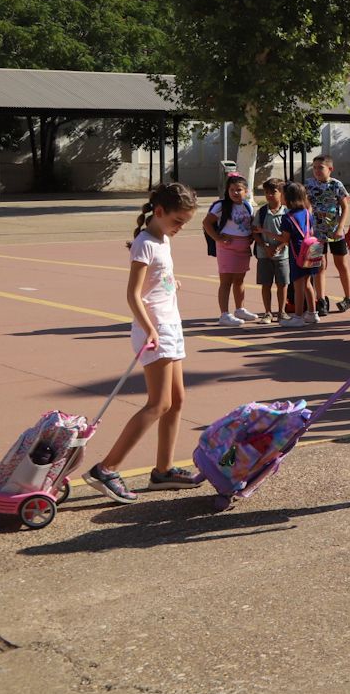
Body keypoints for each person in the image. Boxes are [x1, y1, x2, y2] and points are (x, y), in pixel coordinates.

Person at [84, 182, 204, 502]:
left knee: (176, 401)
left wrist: (169, 282)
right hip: (156, 330)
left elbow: (155, 280)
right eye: (178, 221)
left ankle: (163, 471)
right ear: (160, 212)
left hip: (170, 325)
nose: (180, 228)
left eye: (185, 223)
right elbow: (133, 294)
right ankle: (106, 468)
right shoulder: (145, 243)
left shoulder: (162, 238)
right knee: (158, 403)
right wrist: (149, 327)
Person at [204, 172, 258, 327]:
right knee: (226, 281)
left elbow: (251, 225)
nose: (235, 193)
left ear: (246, 191)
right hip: (227, 248)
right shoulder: (221, 206)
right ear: (227, 191)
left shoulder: (247, 205)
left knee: (240, 280)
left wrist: (252, 237)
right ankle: (224, 314)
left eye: (239, 190)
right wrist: (218, 238)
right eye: (232, 189)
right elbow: (207, 223)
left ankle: (239, 309)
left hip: (243, 248)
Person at [305, 155, 350, 315]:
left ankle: (348, 297)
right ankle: (321, 300)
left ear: (330, 169)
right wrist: (307, 226)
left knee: (341, 264)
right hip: (316, 232)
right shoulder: (309, 184)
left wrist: (340, 227)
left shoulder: (336, 185)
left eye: (321, 167)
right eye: (315, 167)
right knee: (319, 265)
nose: (317, 170)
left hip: (335, 231)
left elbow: (345, 207)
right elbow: (307, 205)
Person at [282, 181, 320, 327]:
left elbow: (285, 239)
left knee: (298, 285)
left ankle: (298, 317)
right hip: (311, 249)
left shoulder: (287, 217)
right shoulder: (307, 213)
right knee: (308, 283)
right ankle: (312, 313)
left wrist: (268, 234)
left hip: (297, 252)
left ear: (288, 198)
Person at [253, 177, 291, 322]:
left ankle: (281, 312)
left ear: (281, 193)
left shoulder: (287, 212)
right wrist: (265, 246)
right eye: (266, 192)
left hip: (283, 255)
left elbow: (289, 236)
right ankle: (267, 312)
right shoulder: (262, 212)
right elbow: (255, 232)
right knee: (266, 284)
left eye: (273, 192)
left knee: (282, 284)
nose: (269, 195)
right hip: (264, 255)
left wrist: (279, 246)